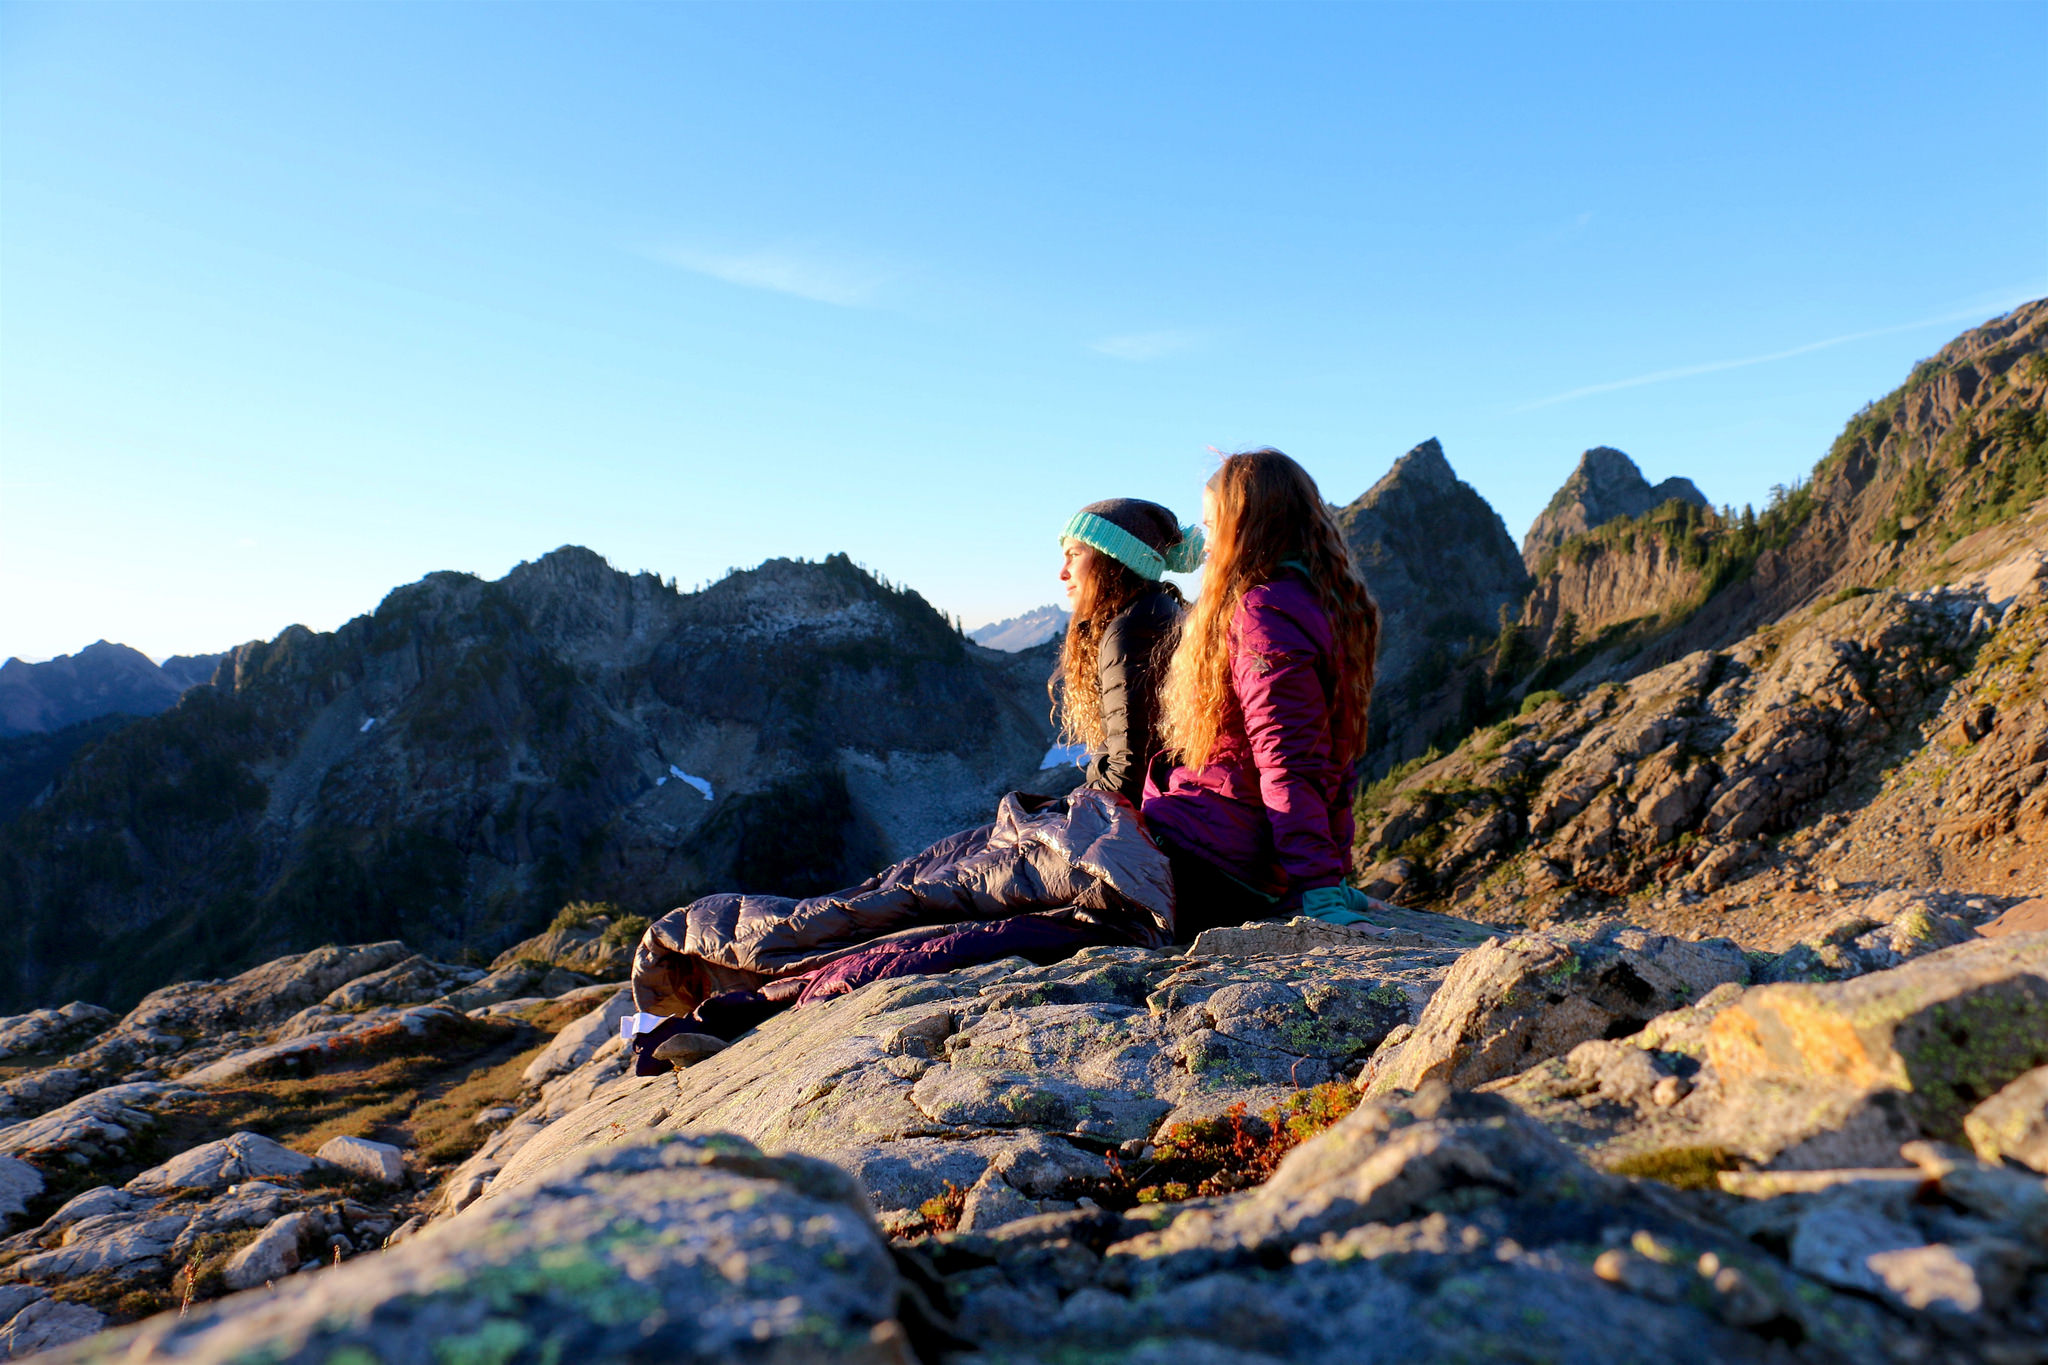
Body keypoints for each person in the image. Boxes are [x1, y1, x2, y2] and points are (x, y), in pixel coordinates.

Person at [1144, 449, 1383, 939]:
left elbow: (1286, 760)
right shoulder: (1327, 602)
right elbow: (1335, 757)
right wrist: (1333, 875)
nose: (1205, 545)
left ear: (1244, 527)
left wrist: (1317, 887)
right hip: (1235, 851)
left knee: (1005, 872)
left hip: (1211, 854)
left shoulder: (1262, 612)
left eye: (1212, 526)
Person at [1052, 498, 1203, 805]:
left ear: (1113, 559)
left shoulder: (1132, 630)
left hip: (1153, 814)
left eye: (1074, 555)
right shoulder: (1155, 610)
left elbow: (1130, 775)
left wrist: (1067, 810)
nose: (1062, 572)